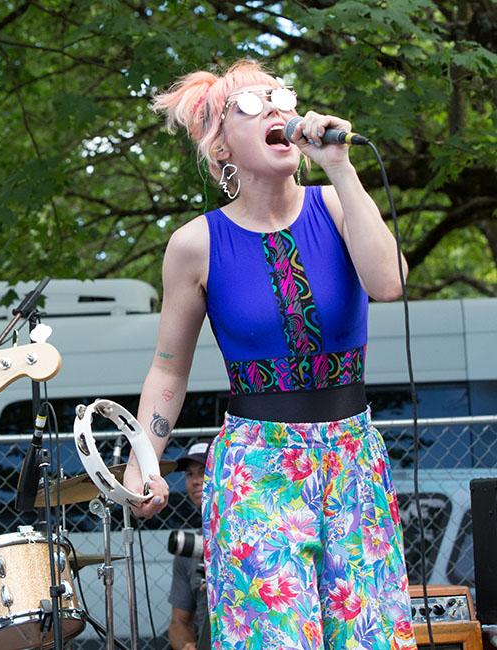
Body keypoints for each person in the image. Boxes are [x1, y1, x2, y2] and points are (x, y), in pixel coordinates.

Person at [123, 59, 416, 649]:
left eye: (283, 99)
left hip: (353, 456)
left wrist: (340, 167)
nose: (278, 111)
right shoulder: (194, 244)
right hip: (257, 467)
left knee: (371, 637)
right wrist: (142, 458)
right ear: (221, 147)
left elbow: (389, 283)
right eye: (253, 106)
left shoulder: (337, 206)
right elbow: (168, 369)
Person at [168, 441, 210, 650]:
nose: (195, 481)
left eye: (204, 471)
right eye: (189, 474)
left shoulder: (253, 535)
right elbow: (179, 622)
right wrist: (187, 645)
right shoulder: (189, 547)